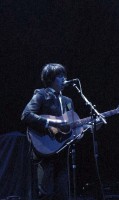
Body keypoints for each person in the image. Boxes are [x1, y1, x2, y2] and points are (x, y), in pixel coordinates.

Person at [21, 63, 78, 200]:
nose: (63, 78)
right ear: (50, 79)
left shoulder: (67, 101)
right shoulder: (41, 95)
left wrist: (87, 126)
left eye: (64, 75)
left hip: (62, 152)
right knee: (46, 194)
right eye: (59, 76)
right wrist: (49, 124)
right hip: (45, 151)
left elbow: (70, 126)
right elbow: (26, 115)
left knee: (63, 194)